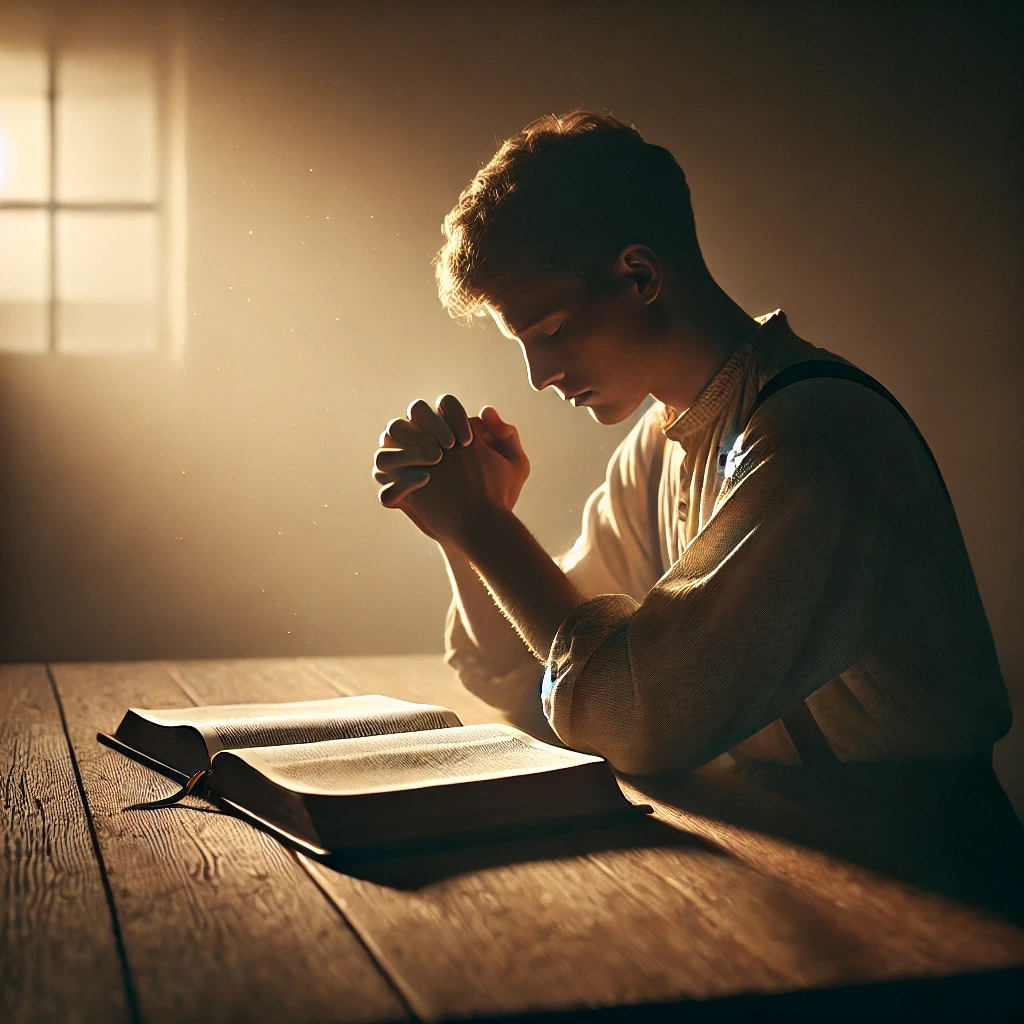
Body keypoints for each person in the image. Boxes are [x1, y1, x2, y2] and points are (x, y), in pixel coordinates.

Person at [370, 111, 1016, 838]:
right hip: (774, 837)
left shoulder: (814, 440)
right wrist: (462, 516)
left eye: (549, 331)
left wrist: (485, 528)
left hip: (933, 867)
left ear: (640, 275)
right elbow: (529, 674)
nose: (540, 375)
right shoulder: (661, 444)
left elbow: (640, 720)